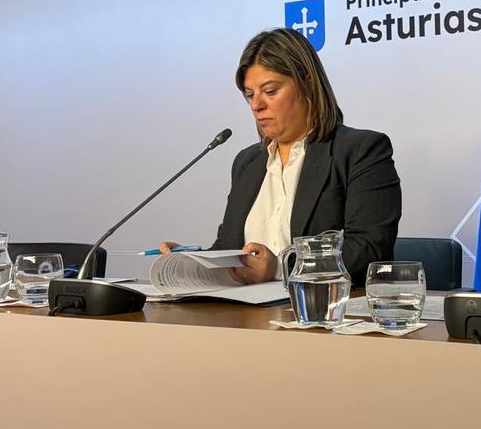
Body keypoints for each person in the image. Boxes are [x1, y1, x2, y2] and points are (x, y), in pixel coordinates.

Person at [162, 27, 401, 286]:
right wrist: (191, 260)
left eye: (271, 91)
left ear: (307, 82)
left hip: (321, 314)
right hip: (243, 317)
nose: (256, 105)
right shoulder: (247, 162)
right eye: (250, 94)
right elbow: (230, 247)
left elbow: (368, 250)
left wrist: (279, 267)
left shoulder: (361, 151)